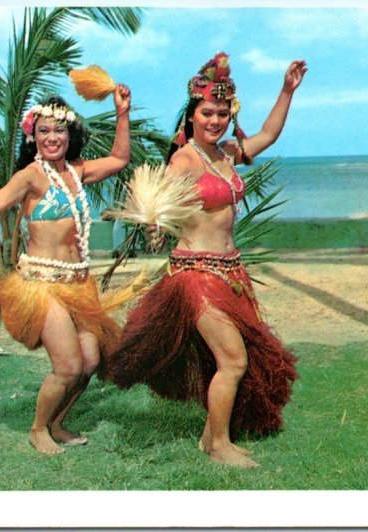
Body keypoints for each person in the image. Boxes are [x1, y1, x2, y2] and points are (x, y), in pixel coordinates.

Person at [101, 53, 306, 468]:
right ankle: (219, 445)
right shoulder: (184, 160)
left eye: (223, 114)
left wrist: (286, 90)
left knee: (228, 359)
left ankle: (210, 436)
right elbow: (158, 208)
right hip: (196, 276)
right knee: (233, 360)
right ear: (191, 115)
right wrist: (155, 224)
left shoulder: (226, 153)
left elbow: (267, 133)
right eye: (207, 112)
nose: (216, 121)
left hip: (231, 273)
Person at [0, 86, 132, 454]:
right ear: (33, 137)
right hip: (42, 285)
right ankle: (38, 429)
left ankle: (57, 422)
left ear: (70, 135)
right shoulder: (31, 177)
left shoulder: (78, 172)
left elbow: (118, 159)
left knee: (89, 362)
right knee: (68, 366)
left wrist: (121, 113)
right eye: (44, 132)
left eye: (59, 131)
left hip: (80, 283)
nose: (52, 138)